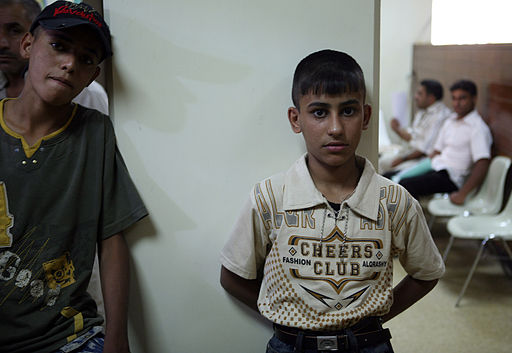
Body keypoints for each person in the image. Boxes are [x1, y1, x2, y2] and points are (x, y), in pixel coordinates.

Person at [220, 50, 445, 353]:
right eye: (319, 112)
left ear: (365, 116)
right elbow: (232, 276)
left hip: (369, 344)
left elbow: (426, 273)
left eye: (348, 111)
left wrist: (370, 319)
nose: (336, 127)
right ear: (295, 118)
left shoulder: (394, 200)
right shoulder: (271, 197)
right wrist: (286, 315)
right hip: (291, 345)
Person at [0, 2, 147, 353]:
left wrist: (117, 337)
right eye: (59, 46)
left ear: (93, 74)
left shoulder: (95, 132)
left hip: (68, 334)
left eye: (85, 59)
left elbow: (111, 239)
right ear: (28, 45)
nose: (69, 64)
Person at [0, 0, 109, 115]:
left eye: (15, 30)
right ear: (27, 45)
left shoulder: (88, 95)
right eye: (58, 46)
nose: (2, 44)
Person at [399, 80, 492, 205]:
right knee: (392, 176)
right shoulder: (450, 121)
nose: (457, 103)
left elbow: (482, 163)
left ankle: (413, 223)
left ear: (474, 99)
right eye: (454, 98)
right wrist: (417, 167)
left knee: (406, 185)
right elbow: (436, 151)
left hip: (452, 178)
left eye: (462, 98)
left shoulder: (477, 128)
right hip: (437, 166)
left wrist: (462, 194)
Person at [380, 79, 451, 177]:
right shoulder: (422, 111)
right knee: (381, 162)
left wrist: (403, 159)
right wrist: (397, 129)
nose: (415, 97)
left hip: (422, 159)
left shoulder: (440, 116)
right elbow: (413, 137)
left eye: (420, 94)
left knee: (393, 173)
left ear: (431, 98)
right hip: (410, 153)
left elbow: (425, 150)